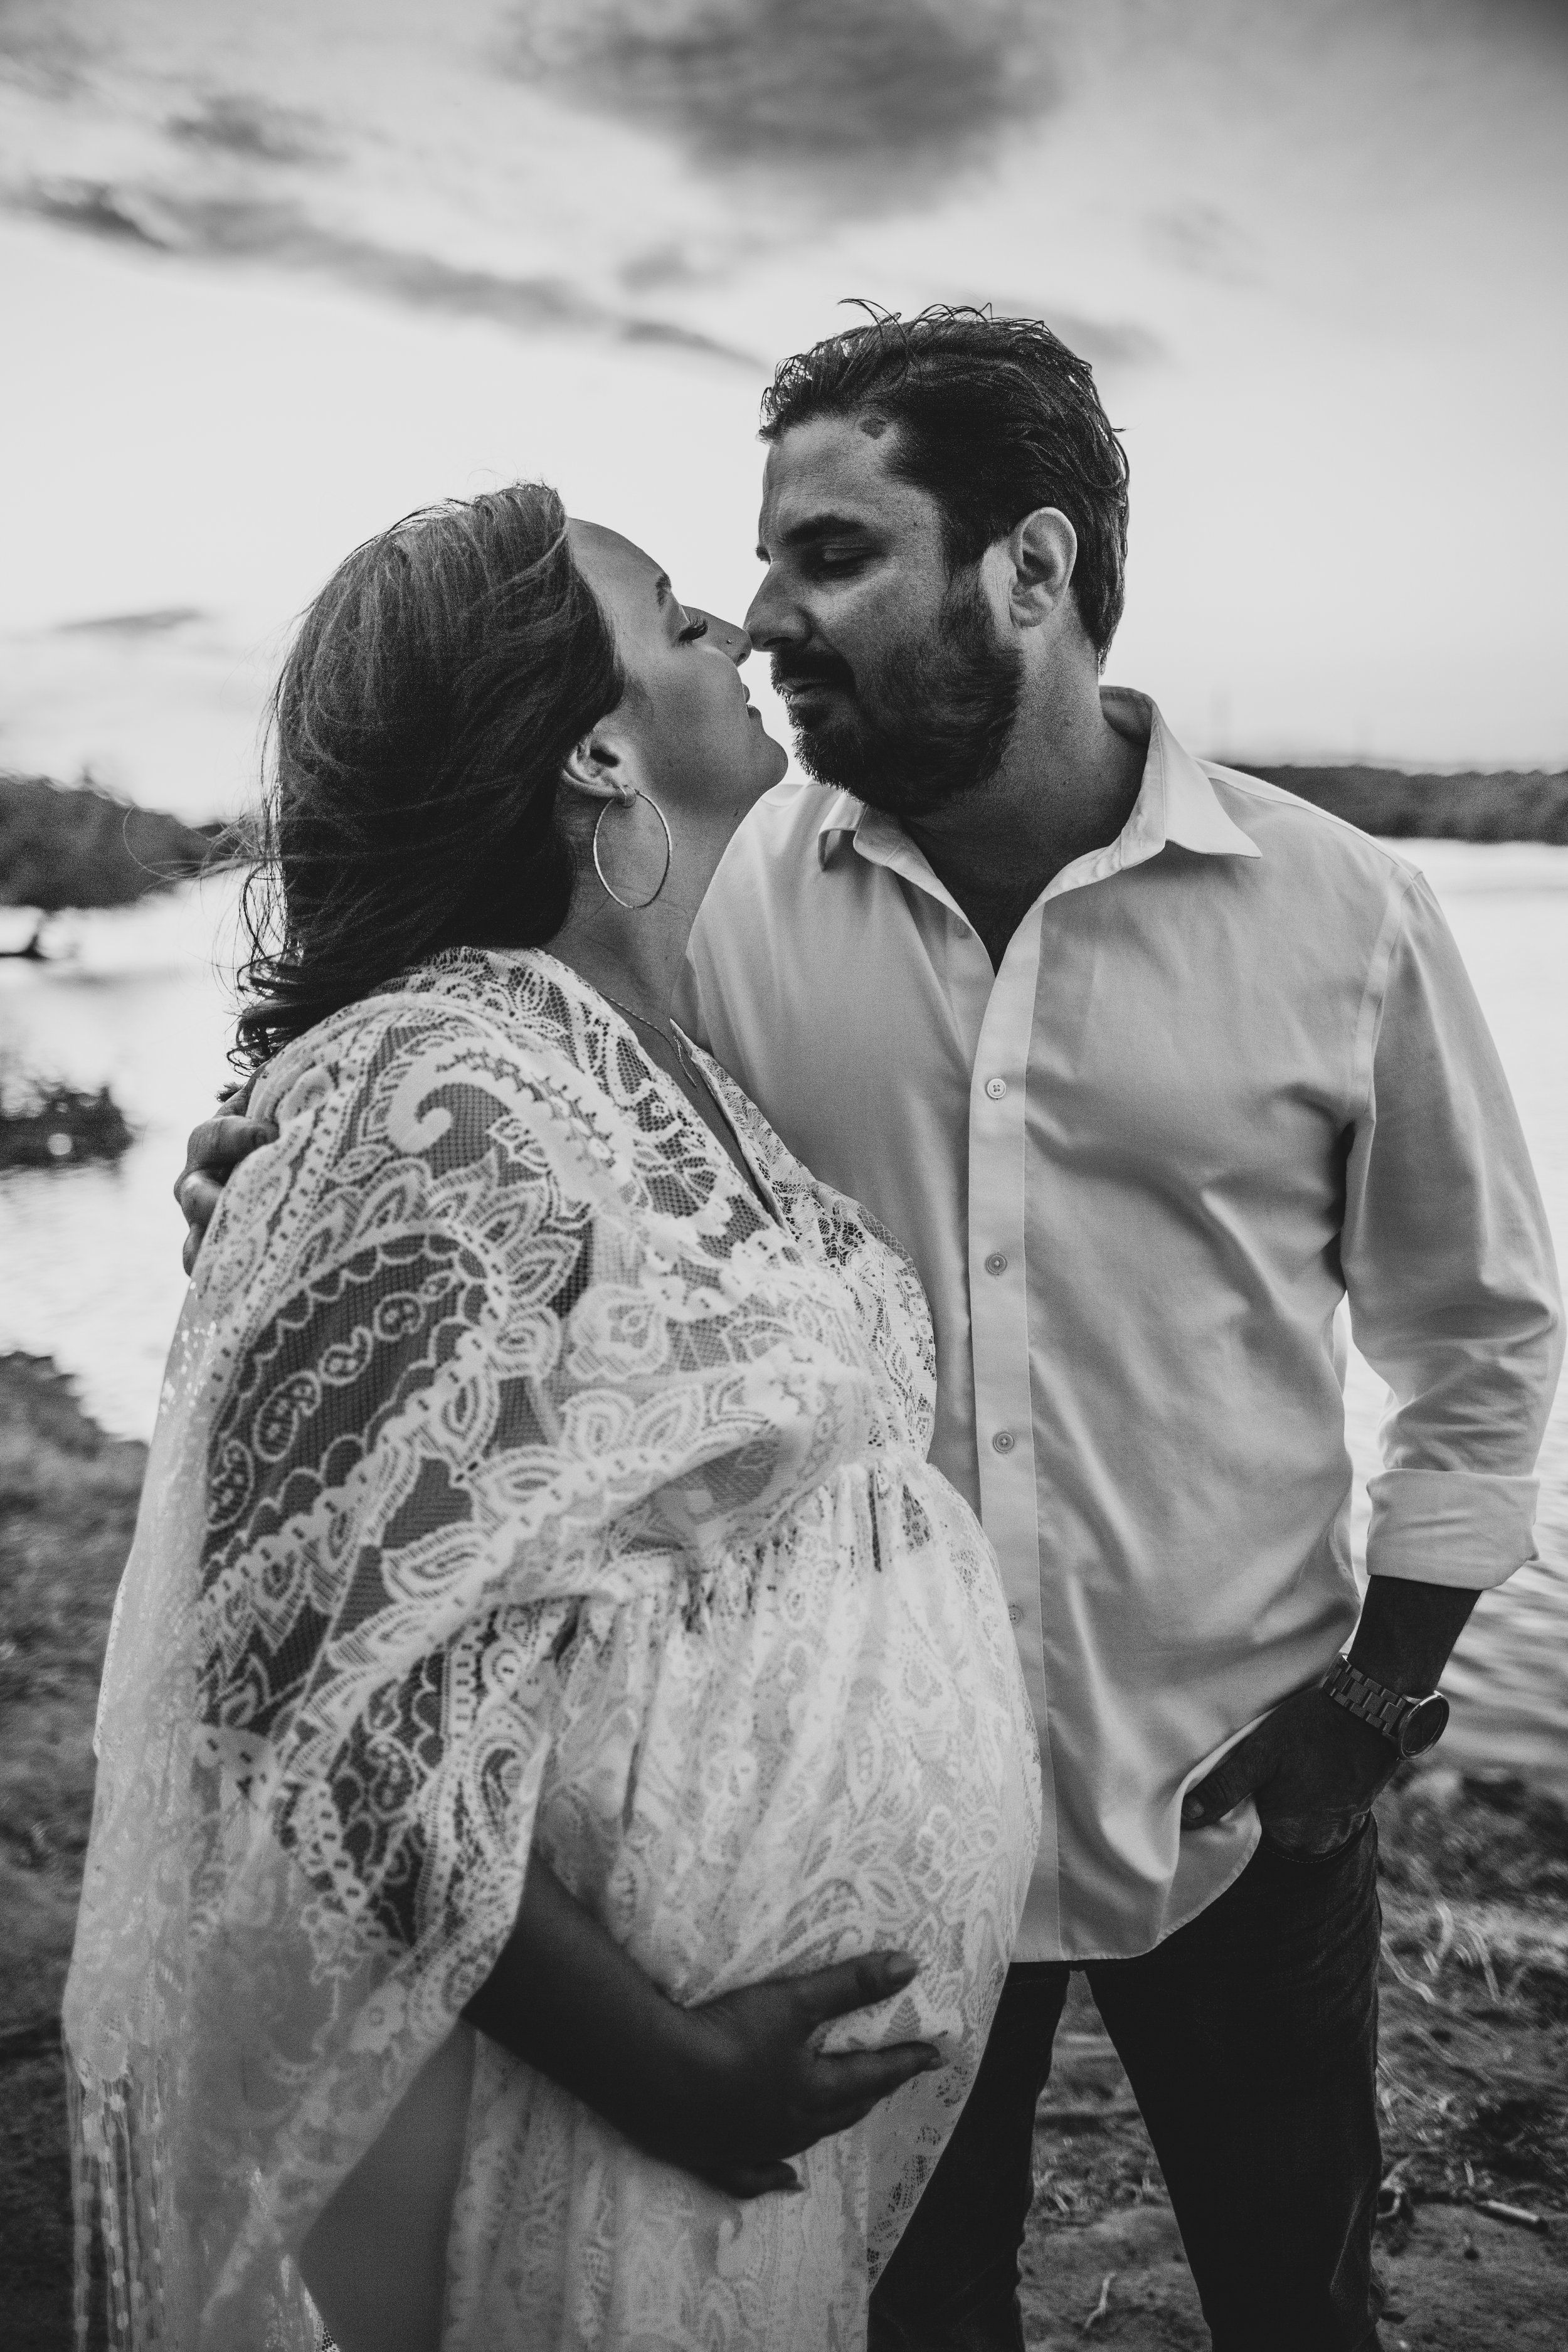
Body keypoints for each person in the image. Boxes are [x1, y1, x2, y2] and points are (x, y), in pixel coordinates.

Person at [176, 310, 1565, 2352]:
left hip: (1240, 1790)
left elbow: (1477, 1336)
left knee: (1304, 2299)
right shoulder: (716, 895)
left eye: (833, 554)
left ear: (1030, 569)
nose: (761, 616)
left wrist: (1373, 1701)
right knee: (912, 2316)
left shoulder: (1341, 909)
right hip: (853, 1846)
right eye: (752, 564)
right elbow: (525, 1147)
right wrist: (276, 1175)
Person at [70, 483, 1041, 2352]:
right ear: (594, 742)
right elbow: (291, 1677)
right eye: (677, 616)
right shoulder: (438, 1080)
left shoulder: (661, 1055)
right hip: (567, 2103)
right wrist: (666, 2063)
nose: (739, 638)